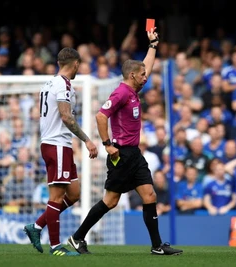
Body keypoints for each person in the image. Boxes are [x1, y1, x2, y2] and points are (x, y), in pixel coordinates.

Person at [67, 27, 183, 256]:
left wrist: (153, 45)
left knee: (150, 195)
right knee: (110, 202)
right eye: (142, 75)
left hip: (134, 154)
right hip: (121, 154)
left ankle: (157, 246)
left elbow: (146, 66)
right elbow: (101, 116)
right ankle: (77, 237)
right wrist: (107, 145)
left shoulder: (133, 89)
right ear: (132, 76)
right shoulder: (121, 93)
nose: (146, 77)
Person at [23, 47, 98, 256]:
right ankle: (56, 247)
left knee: (73, 194)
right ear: (75, 64)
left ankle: (36, 226)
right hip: (56, 144)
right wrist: (87, 140)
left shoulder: (48, 83)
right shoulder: (63, 85)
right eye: (78, 66)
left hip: (57, 144)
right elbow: (65, 116)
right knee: (56, 197)